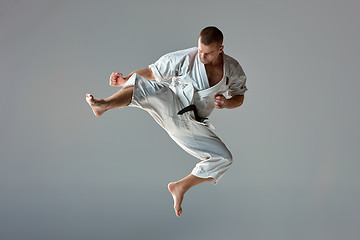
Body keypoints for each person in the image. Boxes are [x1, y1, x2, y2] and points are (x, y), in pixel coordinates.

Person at [86, 26, 247, 217]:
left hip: (191, 124)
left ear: (220, 49)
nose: (201, 56)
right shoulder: (187, 58)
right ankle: (104, 104)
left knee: (224, 158)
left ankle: (180, 187)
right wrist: (125, 79)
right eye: (200, 50)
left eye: (208, 53)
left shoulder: (233, 69)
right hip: (172, 103)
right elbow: (152, 72)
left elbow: (239, 96)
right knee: (149, 87)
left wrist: (227, 103)